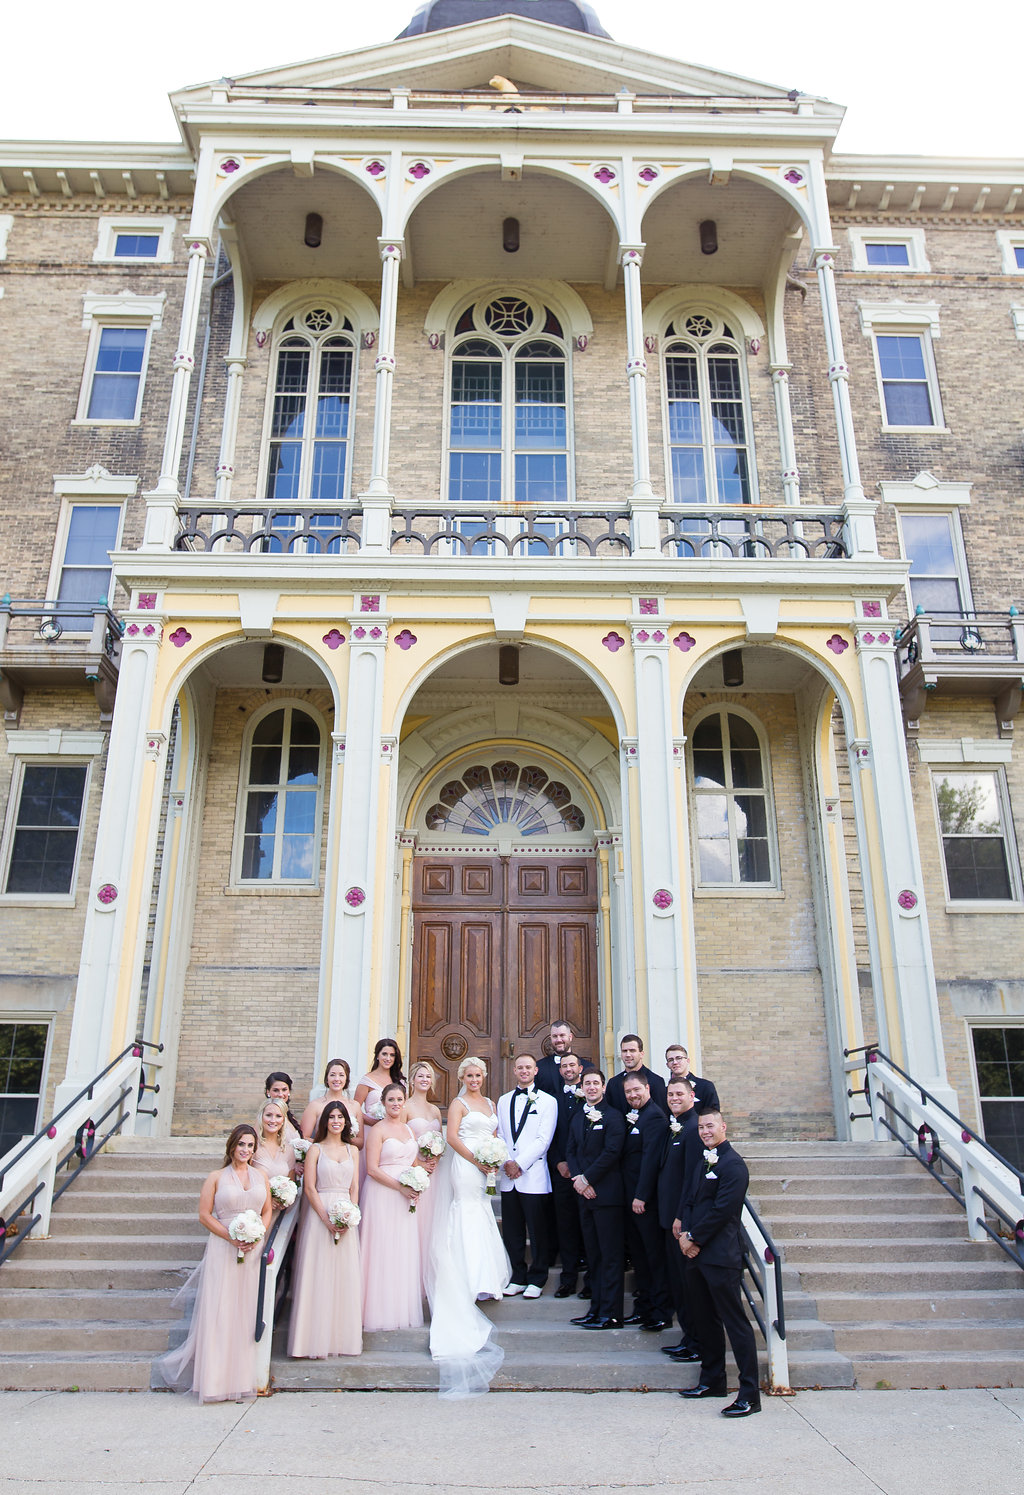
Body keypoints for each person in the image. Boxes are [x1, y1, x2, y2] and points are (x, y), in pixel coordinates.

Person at [151, 1124, 272, 1401]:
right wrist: (231, 1237)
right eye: (241, 1144)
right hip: (223, 1246)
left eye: (250, 1145)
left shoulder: (261, 1176)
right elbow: (205, 1215)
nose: (245, 1150)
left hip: (252, 1247)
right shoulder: (216, 1177)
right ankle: (215, 1381)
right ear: (232, 1146)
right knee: (221, 1309)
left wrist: (258, 1235)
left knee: (244, 1312)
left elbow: (266, 1211)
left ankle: (240, 1379)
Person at [424, 1055, 511, 1397]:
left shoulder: (490, 1103)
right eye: (469, 1074)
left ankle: (484, 1279)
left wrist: (494, 1159)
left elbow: (496, 1133)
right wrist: (478, 1160)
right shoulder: (458, 1103)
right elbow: (454, 1138)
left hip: (486, 1169)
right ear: (461, 1076)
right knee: (466, 1211)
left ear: (484, 1076)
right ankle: (464, 1276)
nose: (474, 1079)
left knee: (482, 1214)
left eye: (478, 1074)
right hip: (464, 1165)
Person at [678, 1110, 761, 1418]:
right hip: (695, 1254)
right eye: (700, 1127)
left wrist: (695, 1238)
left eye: (710, 1126)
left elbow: (724, 1211)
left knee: (735, 1324)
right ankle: (712, 1381)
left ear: (723, 1127)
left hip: (720, 1256)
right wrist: (685, 1233)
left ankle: (750, 1394)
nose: (704, 1131)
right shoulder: (704, 1159)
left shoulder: (734, 1165)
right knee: (704, 1320)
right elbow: (689, 1198)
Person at [288, 1100, 362, 1358]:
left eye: (340, 1116)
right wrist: (327, 1219)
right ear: (325, 1121)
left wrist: (350, 1216)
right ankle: (310, 1341)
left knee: (343, 1277)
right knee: (318, 1276)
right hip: (320, 1216)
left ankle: (341, 1340)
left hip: (346, 1217)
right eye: (331, 1116)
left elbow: (354, 1188)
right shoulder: (315, 1150)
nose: (336, 1121)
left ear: (346, 1122)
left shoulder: (353, 1151)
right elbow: (309, 1188)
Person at [566, 1068, 626, 1331]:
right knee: (594, 1255)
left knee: (610, 1256)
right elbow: (571, 1150)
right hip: (584, 1196)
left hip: (607, 1195)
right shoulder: (578, 1117)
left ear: (603, 1087)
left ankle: (612, 1313)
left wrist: (588, 1179)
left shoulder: (614, 1117)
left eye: (595, 1083)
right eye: (587, 1083)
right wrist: (579, 1179)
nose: (591, 1087)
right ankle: (596, 1310)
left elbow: (612, 1152)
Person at [360, 1082, 423, 1331]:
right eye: (391, 1100)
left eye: (399, 1100)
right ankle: (378, 1312)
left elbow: (413, 1161)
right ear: (383, 1104)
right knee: (382, 1249)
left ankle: (399, 1308)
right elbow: (372, 1169)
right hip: (383, 1193)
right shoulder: (378, 1130)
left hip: (405, 1196)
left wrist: (418, 1182)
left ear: (404, 1102)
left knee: (401, 1250)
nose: (396, 1104)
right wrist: (400, 1187)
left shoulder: (408, 1130)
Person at [496, 1054, 558, 1298]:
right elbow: (500, 1134)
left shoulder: (548, 1101)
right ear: (514, 1070)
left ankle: (537, 1277)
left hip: (533, 1175)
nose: (524, 1071)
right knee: (512, 1231)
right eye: (520, 1067)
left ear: (535, 1071)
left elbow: (544, 1139)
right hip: (509, 1178)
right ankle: (518, 1275)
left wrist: (519, 1163)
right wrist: (506, 1162)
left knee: (538, 1230)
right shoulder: (502, 1101)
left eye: (528, 1067)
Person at [620, 1072, 671, 1331]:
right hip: (631, 1199)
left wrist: (641, 1196)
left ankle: (661, 1311)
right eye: (628, 1092)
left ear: (648, 1088)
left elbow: (651, 1161)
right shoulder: (637, 1115)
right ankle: (644, 1307)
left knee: (653, 1258)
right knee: (640, 1258)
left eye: (636, 1090)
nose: (632, 1095)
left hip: (646, 1202)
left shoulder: (654, 1117)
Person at [658, 1077, 702, 1361]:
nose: (674, 1098)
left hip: (680, 1222)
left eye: (679, 1094)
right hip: (667, 1218)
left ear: (691, 1095)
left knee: (689, 1287)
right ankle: (688, 1338)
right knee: (677, 1283)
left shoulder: (694, 1128)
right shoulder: (675, 1125)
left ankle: (696, 1342)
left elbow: (692, 1179)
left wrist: (681, 1217)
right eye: (670, 1094)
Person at [546, 1052, 589, 1298]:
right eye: (564, 1066)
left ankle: (592, 1280)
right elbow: (549, 1135)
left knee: (589, 1226)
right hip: (562, 1172)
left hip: (587, 1175)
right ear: (560, 1071)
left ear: (580, 1068)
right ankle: (568, 1279)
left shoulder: (592, 1098)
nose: (568, 1069)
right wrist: (559, 1162)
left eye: (572, 1065)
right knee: (566, 1226)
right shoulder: (552, 1101)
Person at [404, 1059, 445, 1287]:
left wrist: (435, 1158)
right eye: (420, 1076)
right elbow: (399, 1138)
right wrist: (417, 1163)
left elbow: (440, 1141)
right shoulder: (405, 1107)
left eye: (428, 1076)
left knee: (431, 1226)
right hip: (414, 1171)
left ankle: (429, 1277)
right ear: (412, 1080)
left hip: (434, 1175)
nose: (424, 1080)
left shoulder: (434, 1110)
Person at [300, 1058, 363, 1148]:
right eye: (332, 1075)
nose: (337, 1079)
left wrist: (344, 1138)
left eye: (341, 1075)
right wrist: (325, 1145)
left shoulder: (355, 1106)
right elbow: (304, 1137)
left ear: (346, 1079)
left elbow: (360, 1143)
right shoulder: (315, 1105)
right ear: (326, 1078)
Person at [605, 1034, 668, 1115]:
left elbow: (661, 1116)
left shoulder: (656, 1081)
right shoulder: (613, 1083)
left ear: (641, 1054)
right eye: (624, 1051)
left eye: (632, 1050)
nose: (628, 1055)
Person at [354, 1039, 406, 1133]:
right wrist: (373, 1122)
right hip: (371, 1129)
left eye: (392, 1055)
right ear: (377, 1055)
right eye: (384, 1054)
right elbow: (355, 1109)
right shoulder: (367, 1080)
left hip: (393, 1131)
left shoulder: (399, 1081)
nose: (388, 1058)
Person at [535, 1020, 592, 1097]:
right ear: (550, 1038)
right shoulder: (539, 1068)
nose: (559, 1040)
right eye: (555, 1036)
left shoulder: (587, 1067)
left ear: (570, 1037)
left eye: (562, 1035)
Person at [252, 1101, 296, 1191]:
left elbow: (291, 1185)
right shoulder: (252, 1146)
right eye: (268, 1115)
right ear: (261, 1117)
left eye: (278, 1116)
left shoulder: (288, 1150)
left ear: (283, 1120)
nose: (273, 1120)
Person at [665, 1045, 720, 1113]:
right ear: (667, 1065)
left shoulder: (705, 1086)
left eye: (679, 1058)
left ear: (687, 1061)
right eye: (671, 1060)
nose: (675, 1062)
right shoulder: (664, 1090)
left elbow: (713, 1115)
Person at [263, 1072, 302, 1140]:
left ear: (289, 1091)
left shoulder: (290, 1116)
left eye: (284, 1090)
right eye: (276, 1090)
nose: (281, 1094)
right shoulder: (264, 1117)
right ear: (268, 1092)